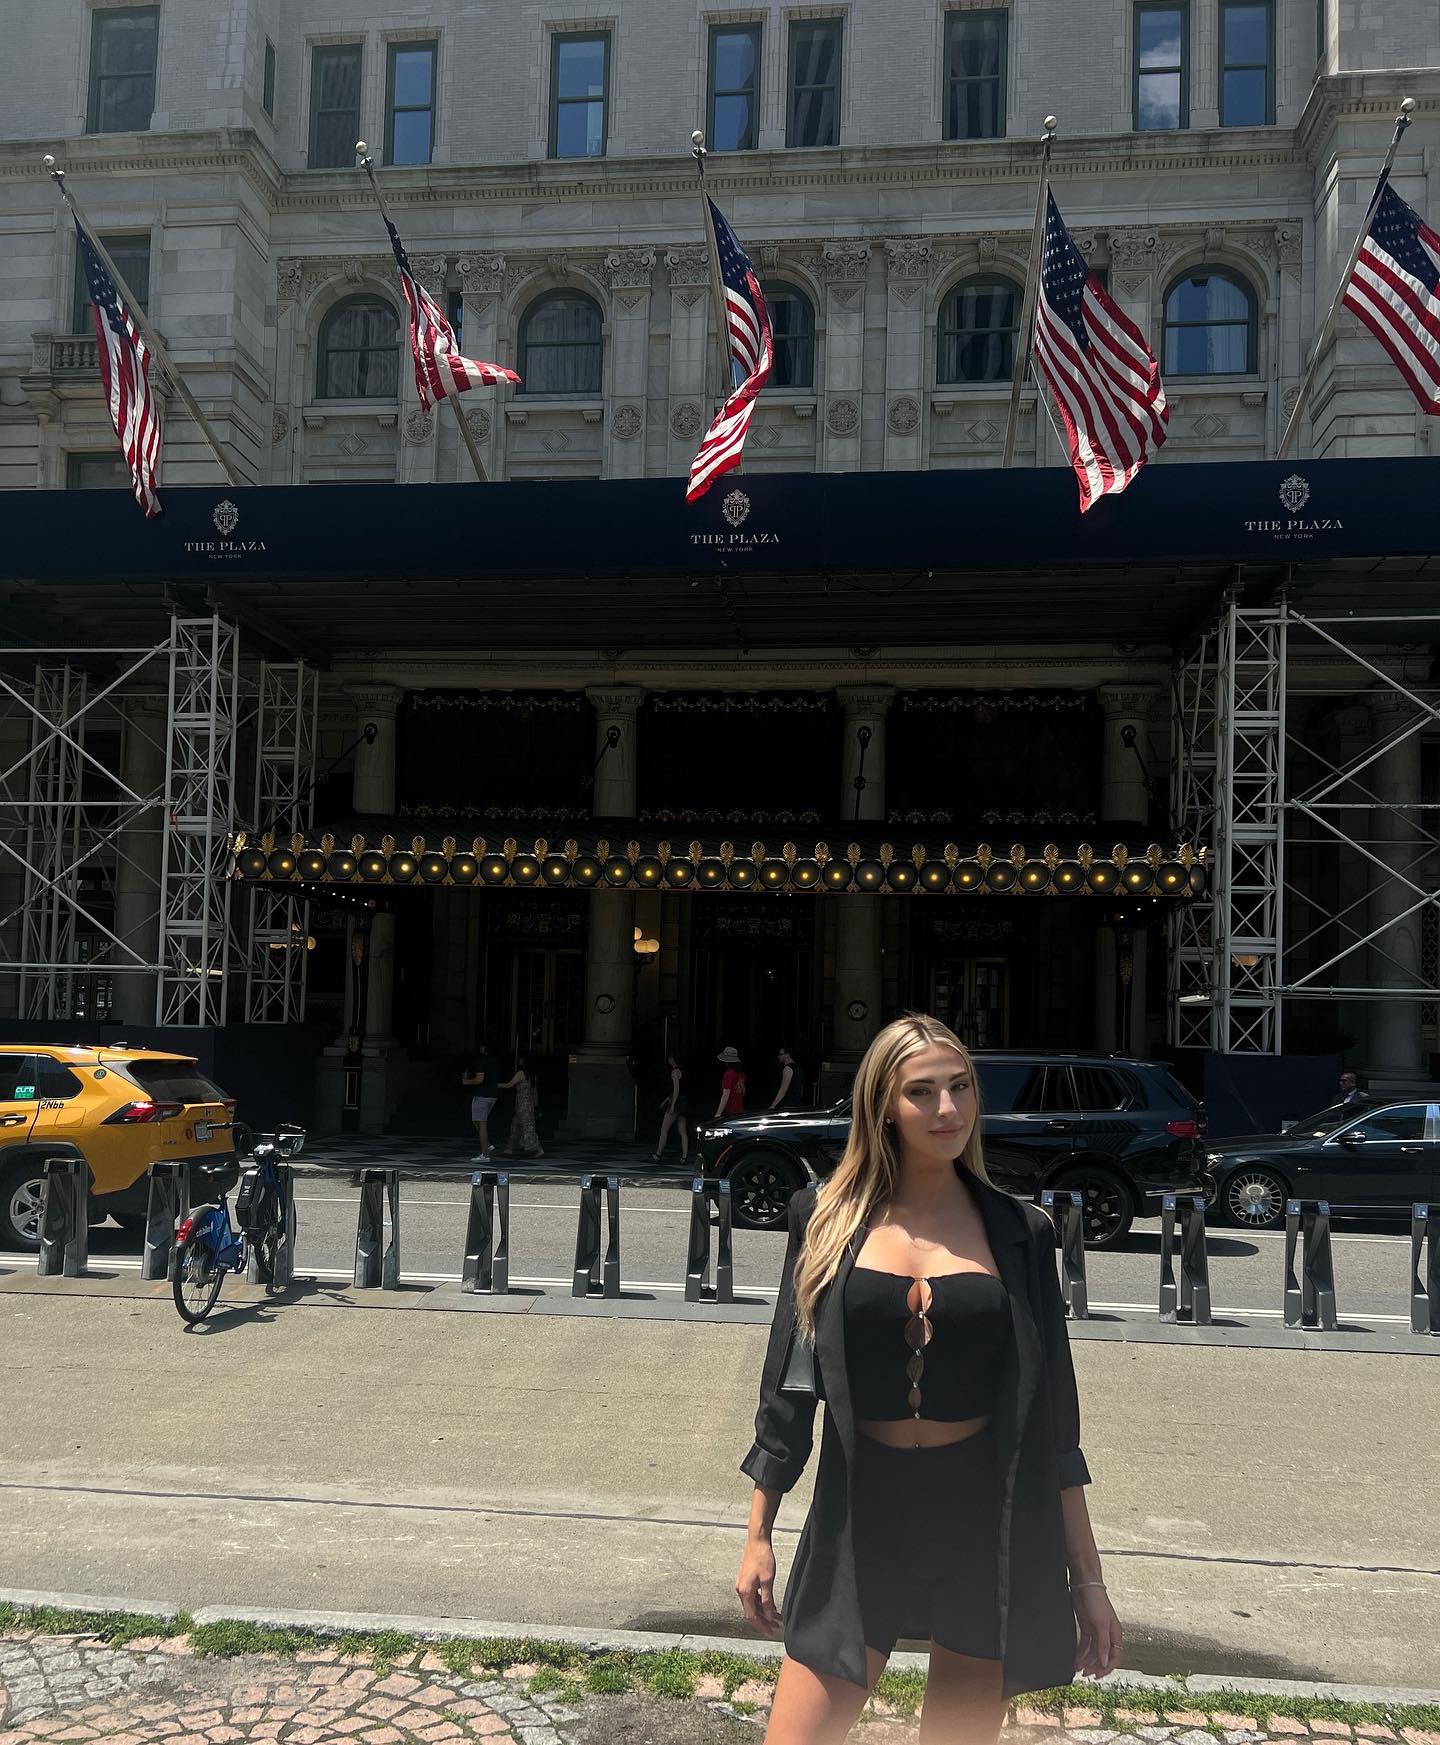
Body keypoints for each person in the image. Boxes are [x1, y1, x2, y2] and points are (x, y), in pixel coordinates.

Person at [735, 1013, 1120, 1743]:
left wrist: (1089, 1582)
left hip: (984, 1517)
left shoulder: (1020, 1231)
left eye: (961, 1086)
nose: (947, 1109)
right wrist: (759, 1530)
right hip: (860, 1511)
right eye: (922, 1091)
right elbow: (787, 1385)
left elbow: (1055, 1424)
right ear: (882, 1103)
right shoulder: (824, 1218)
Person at [461, 1042, 501, 1161]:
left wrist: (466, 1081)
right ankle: (488, 1145)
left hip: (482, 1095)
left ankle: (485, 1154)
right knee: (476, 1120)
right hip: (493, 1095)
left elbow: (479, 1079)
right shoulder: (496, 1061)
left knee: (482, 1124)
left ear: (484, 1048)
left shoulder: (482, 1061)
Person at [499, 1054, 544, 1158]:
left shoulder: (521, 1073)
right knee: (516, 1125)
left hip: (522, 1103)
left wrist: (495, 1084)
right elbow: (534, 1091)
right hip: (529, 1103)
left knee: (526, 1127)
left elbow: (509, 1085)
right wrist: (536, 1105)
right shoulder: (532, 1075)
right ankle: (509, 1148)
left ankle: (537, 1148)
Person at [653, 1053, 690, 1162]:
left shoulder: (674, 1072)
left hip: (676, 1102)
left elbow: (676, 1090)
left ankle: (658, 1153)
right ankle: (684, 1155)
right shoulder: (683, 1072)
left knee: (664, 1129)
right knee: (683, 1130)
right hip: (683, 1103)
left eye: (670, 1058)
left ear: (673, 1059)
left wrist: (672, 1104)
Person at [714, 1046, 747, 1122]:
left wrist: (718, 1114)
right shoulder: (741, 1074)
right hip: (740, 1109)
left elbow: (725, 1095)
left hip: (729, 1110)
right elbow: (743, 1091)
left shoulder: (729, 1074)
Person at [769, 1047, 801, 1111]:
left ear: (787, 1055)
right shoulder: (799, 1068)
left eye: (781, 1054)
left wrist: (772, 1106)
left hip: (788, 1105)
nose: (778, 1056)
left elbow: (783, 1089)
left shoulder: (788, 1068)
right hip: (796, 1104)